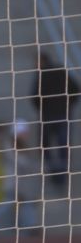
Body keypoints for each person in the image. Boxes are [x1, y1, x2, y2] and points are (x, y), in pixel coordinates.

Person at [31, 52, 79, 186]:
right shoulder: (61, 71)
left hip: (48, 116)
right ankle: (62, 175)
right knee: (63, 145)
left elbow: (34, 97)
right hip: (63, 114)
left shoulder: (41, 75)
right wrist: (68, 104)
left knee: (45, 145)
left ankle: (54, 172)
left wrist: (42, 108)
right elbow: (76, 89)